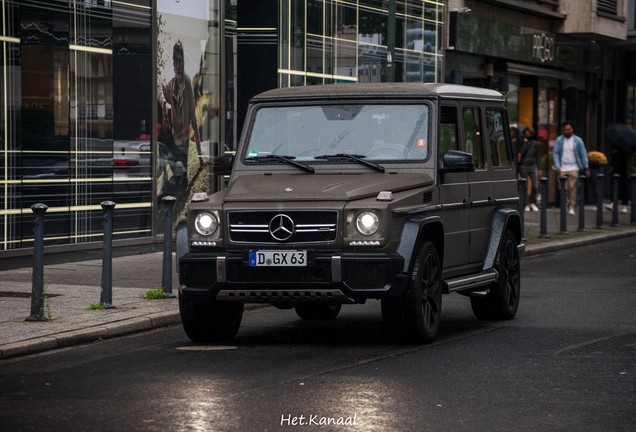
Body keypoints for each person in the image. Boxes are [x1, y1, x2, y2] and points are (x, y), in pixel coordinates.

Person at [157, 40, 207, 200]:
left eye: (180, 61)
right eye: (175, 61)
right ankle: (164, 178)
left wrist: (200, 157)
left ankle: (166, 187)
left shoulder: (187, 82)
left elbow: (193, 118)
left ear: (183, 63)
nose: (178, 64)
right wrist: (164, 103)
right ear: (173, 64)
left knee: (181, 184)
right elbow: (158, 87)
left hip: (182, 146)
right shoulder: (169, 85)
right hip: (171, 142)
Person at [553, 121, 591, 215]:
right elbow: (555, 153)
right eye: (566, 129)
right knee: (562, 188)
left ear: (572, 129)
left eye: (569, 129)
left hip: (573, 167)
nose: (567, 131)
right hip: (562, 167)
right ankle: (565, 202)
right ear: (563, 130)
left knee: (572, 187)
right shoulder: (559, 140)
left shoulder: (577, 140)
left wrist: (586, 167)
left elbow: (583, 154)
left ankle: (571, 206)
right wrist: (557, 165)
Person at [518, 126, 542, 212]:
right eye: (526, 133)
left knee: (535, 186)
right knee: (525, 186)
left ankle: (532, 202)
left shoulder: (534, 143)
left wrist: (539, 168)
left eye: (529, 134)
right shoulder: (521, 142)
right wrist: (525, 143)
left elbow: (537, 156)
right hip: (523, 165)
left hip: (533, 165)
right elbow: (521, 152)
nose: (528, 135)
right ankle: (526, 204)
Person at [605, 145, 629, 214]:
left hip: (625, 170)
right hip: (616, 169)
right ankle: (612, 203)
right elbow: (612, 160)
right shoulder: (615, 145)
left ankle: (624, 205)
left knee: (624, 187)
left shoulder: (626, 148)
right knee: (614, 186)